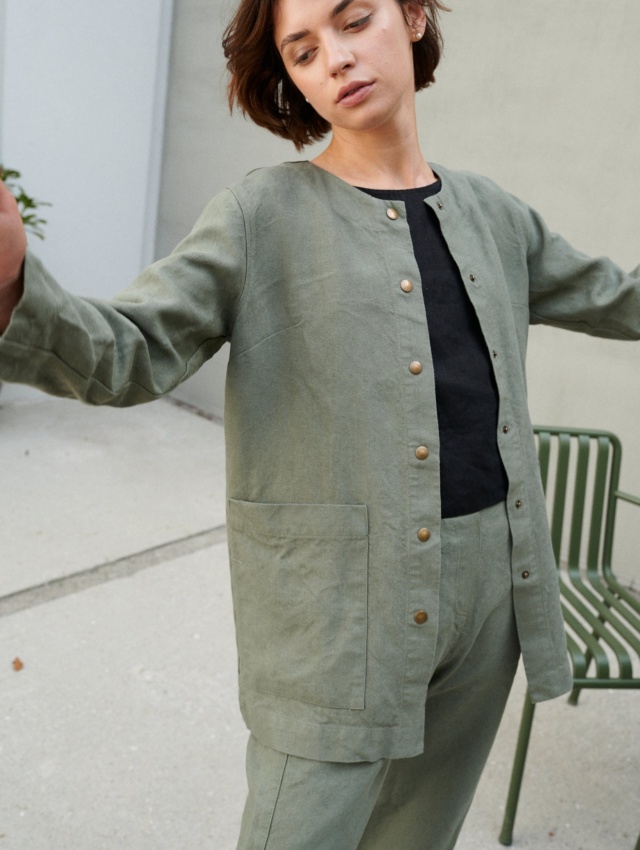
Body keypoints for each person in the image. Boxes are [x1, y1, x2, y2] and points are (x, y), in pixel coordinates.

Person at [0, 1, 638, 847]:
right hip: (336, 614)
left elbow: (615, 296)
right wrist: (12, 284)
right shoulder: (259, 215)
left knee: (421, 835)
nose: (334, 59)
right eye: (302, 51)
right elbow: (131, 351)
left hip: (493, 599)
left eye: (355, 19)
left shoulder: (492, 212)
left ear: (412, 16)